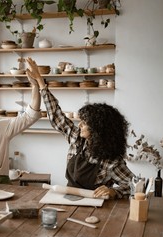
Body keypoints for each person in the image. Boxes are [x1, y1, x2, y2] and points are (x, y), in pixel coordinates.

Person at [26, 57, 134, 199]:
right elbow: (56, 115)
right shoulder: (76, 139)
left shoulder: (111, 160)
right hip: (69, 198)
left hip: (96, 205)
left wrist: (114, 191)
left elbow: (134, 185)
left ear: (98, 129)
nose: (80, 125)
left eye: (85, 122)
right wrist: (40, 81)